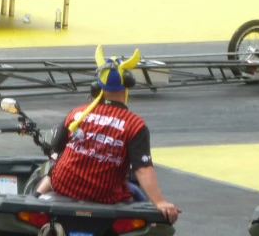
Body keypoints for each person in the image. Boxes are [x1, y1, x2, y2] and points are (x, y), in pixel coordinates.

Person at [35, 45, 180, 224]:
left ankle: (34, 199)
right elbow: (142, 169)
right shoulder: (134, 124)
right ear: (126, 86)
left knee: (53, 171)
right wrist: (159, 202)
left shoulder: (77, 114)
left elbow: (56, 149)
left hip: (64, 187)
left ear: (97, 86)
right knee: (136, 194)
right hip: (104, 196)